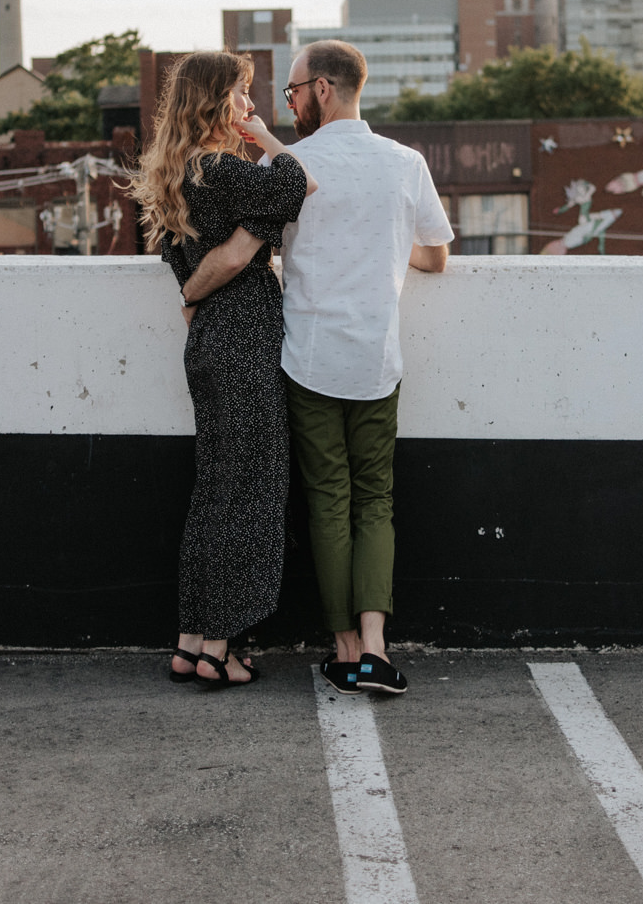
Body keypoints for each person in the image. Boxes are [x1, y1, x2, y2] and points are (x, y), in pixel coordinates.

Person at [177, 39, 451, 696]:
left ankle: (344, 647)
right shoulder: (406, 163)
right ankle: (377, 648)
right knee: (375, 502)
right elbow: (438, 256)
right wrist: (390, 250)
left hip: (306, 359)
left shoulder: (292, 164)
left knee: (328, 500)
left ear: (322, 90)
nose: (289, 101)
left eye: (295, 90)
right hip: (377, 358)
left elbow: (258, 242)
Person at [128, 51, 316, 688]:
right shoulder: (222, 170)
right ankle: (219, 648)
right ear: (214, 102)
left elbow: (192, 266)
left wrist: (193, 296)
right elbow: (299, 184)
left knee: (215, 491)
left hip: (208, 341)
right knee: (252, 495)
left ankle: (190, 639)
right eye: (240, 95)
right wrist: (267, 139)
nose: (249, 106)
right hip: (246, 340)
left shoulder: (180, 173)